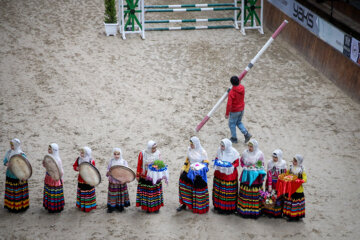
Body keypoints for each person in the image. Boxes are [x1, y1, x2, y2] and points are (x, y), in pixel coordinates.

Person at [177, 136, 209, 214]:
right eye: (190, 144)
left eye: (192, 144)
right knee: (182, 182)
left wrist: (199, 168)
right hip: (189, 169)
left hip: (198, 172)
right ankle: (184, 203)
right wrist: (183, 168)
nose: (191, 146)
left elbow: (206, 163)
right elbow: (187, 160)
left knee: (197, 187)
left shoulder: (203, 152)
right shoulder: (189, 150)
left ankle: (196, 206)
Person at [236, 139, 265, 218]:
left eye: (251, 146)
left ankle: (254, 211)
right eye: (249, 146)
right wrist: (245, 167)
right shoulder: (245, 153)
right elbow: (241, 161)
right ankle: (244, 211)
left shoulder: (259, 154)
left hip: (255, 176)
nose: (249, 148)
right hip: (246, 174)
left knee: (254, 193)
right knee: (246, 192)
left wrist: (254, 168)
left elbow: (260, 165)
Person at [212, 138, 240, 214]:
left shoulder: (234, 152)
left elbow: (237, 163)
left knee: (227, 192)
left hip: (229, 175)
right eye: (221, 146)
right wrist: (217, 162)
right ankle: (218, 206)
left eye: (223, 146)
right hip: (219, 173)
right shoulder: (219, 150)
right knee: (219, 191)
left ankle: (228, 209)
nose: (221, 147)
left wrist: (232, 166)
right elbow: (217, 158)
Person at [136, 140, 164, 213]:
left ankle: (156, 208)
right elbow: (139, 164)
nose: (154, 150)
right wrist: (138, 175)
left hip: (154, 176)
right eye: (153, 148)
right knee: (147, 193)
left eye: (155, 148)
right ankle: (148, 208)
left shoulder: (158, 153)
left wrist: (154, 166)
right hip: (145, 177)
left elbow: (160, 164)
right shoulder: (142, 154)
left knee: (155, 193)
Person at [3, 138, 30, 212]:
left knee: (19, 190)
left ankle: (20, 206)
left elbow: (25, 166)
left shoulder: (22, 155)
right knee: (12, 190)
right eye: (11, 145)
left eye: (13, 145)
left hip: (19, 176)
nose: (11, 147)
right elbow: (5, 161)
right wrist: (7, 164)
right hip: (10, 174)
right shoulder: (9, 153)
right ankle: (11, 206)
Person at [225, 76, 252, 144]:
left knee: (232, 124)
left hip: (234, 110)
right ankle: (246, 134)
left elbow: (229, 104)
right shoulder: (242, 87)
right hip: (241, 109)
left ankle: (234, 138)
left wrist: (227, 113)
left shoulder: (231, 92)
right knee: (238, 122)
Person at [263, 149, 287, 217]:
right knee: (269, 196)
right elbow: (269, 173)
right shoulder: (270, 162)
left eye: (276, 157)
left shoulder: (283, 164)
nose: (274, 158)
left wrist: (281, 185)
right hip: (271, 182)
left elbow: (283, 175)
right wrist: (270, 185)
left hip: (278, 183)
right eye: (273, 157)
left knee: (278, 196)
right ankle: (268, 211)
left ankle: (277, 213)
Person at [106, 148, 130, 213]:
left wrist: (125, 179)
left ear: (120, 154)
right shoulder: (111, 161)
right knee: (113, 194)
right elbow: (108, 169)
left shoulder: (124, 162)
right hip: (113, 181)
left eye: (118, 154)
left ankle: (120, 206)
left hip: (121, 181)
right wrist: (108, 172)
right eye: (115, 154)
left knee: (120, 193)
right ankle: (111, 207)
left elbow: (127, 171)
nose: (116, 156)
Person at [283, 154, 307, 221]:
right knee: (290, 201)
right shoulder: (290, 168)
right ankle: (289, 215)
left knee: (296, 202)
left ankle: (296, 216)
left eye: (295, 161)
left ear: (299, 162)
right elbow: (286, 174)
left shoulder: (301, 170)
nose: (294, 162)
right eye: (293, 160)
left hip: (298, 189)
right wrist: (286, 177)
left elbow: (305, 178)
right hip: (290, 187)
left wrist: (300, 180)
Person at [73, 146, 97, 212]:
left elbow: (93, 171)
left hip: (88, 180)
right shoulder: (79, 159)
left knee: (88, 193)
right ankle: (81, 205)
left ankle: (88, 206)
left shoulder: (91, 161)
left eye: (83, 153)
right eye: (81, 153)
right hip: (81, 178)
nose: (81, 154)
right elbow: (74, 166)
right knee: (82, 192)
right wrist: (77, 168)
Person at [43, 143, 65, 213]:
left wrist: (60, 178)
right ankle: (49, 206)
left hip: (55, 178)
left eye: (50, 149)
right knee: (49, 192)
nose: (48, 150)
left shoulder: (58, 160)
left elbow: (60, 171)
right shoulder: (48, 157)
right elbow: (45, 165)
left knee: (55, 193)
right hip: (49, 177)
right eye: (48, 149)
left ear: (54, 150)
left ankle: (56, 207)